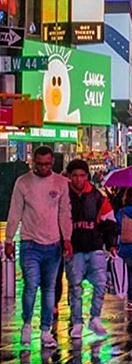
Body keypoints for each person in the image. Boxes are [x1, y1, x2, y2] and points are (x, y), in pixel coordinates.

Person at [4, 145, 73, 349]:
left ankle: (45, 330)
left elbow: (64, 212)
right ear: (33, 162)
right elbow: (15, 211)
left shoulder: (61, 183)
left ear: (52, 163)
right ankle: (26, 323)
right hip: (29, 243)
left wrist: (67, 238)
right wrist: (9, 239)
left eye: (47, 164)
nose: (43, 168)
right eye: (39, 164)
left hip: (53, 244)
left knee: (49, 288)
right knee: (31, 285)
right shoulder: (23, 183)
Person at [65, 158, 118, 339]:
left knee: (100, 284)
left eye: (81, 176)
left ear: (87, 176)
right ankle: (77, 321)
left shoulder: (97, 197)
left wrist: (111, 244)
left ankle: (94, 317)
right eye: (75, 176)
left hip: (94, 246)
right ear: (70, 177)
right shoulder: (64, 196)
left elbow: (109, 221)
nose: (78, 179)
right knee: (75, 287)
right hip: (74, 249)